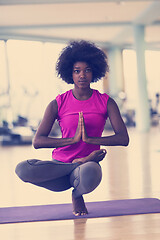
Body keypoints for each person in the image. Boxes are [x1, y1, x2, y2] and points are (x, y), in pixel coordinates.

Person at [15, 40, 129, 216]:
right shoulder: (57, 103)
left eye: (87, 70)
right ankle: (76, 167)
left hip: (85, 171)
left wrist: (91, 141)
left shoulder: (106, 102)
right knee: (23, 169)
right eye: (77, 71)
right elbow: (38, 141)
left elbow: (123, 138)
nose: (82, 75)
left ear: (94, 73)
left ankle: (77, 194)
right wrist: (73, 140)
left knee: (91, 170)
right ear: (70, 73)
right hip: (59, 169)